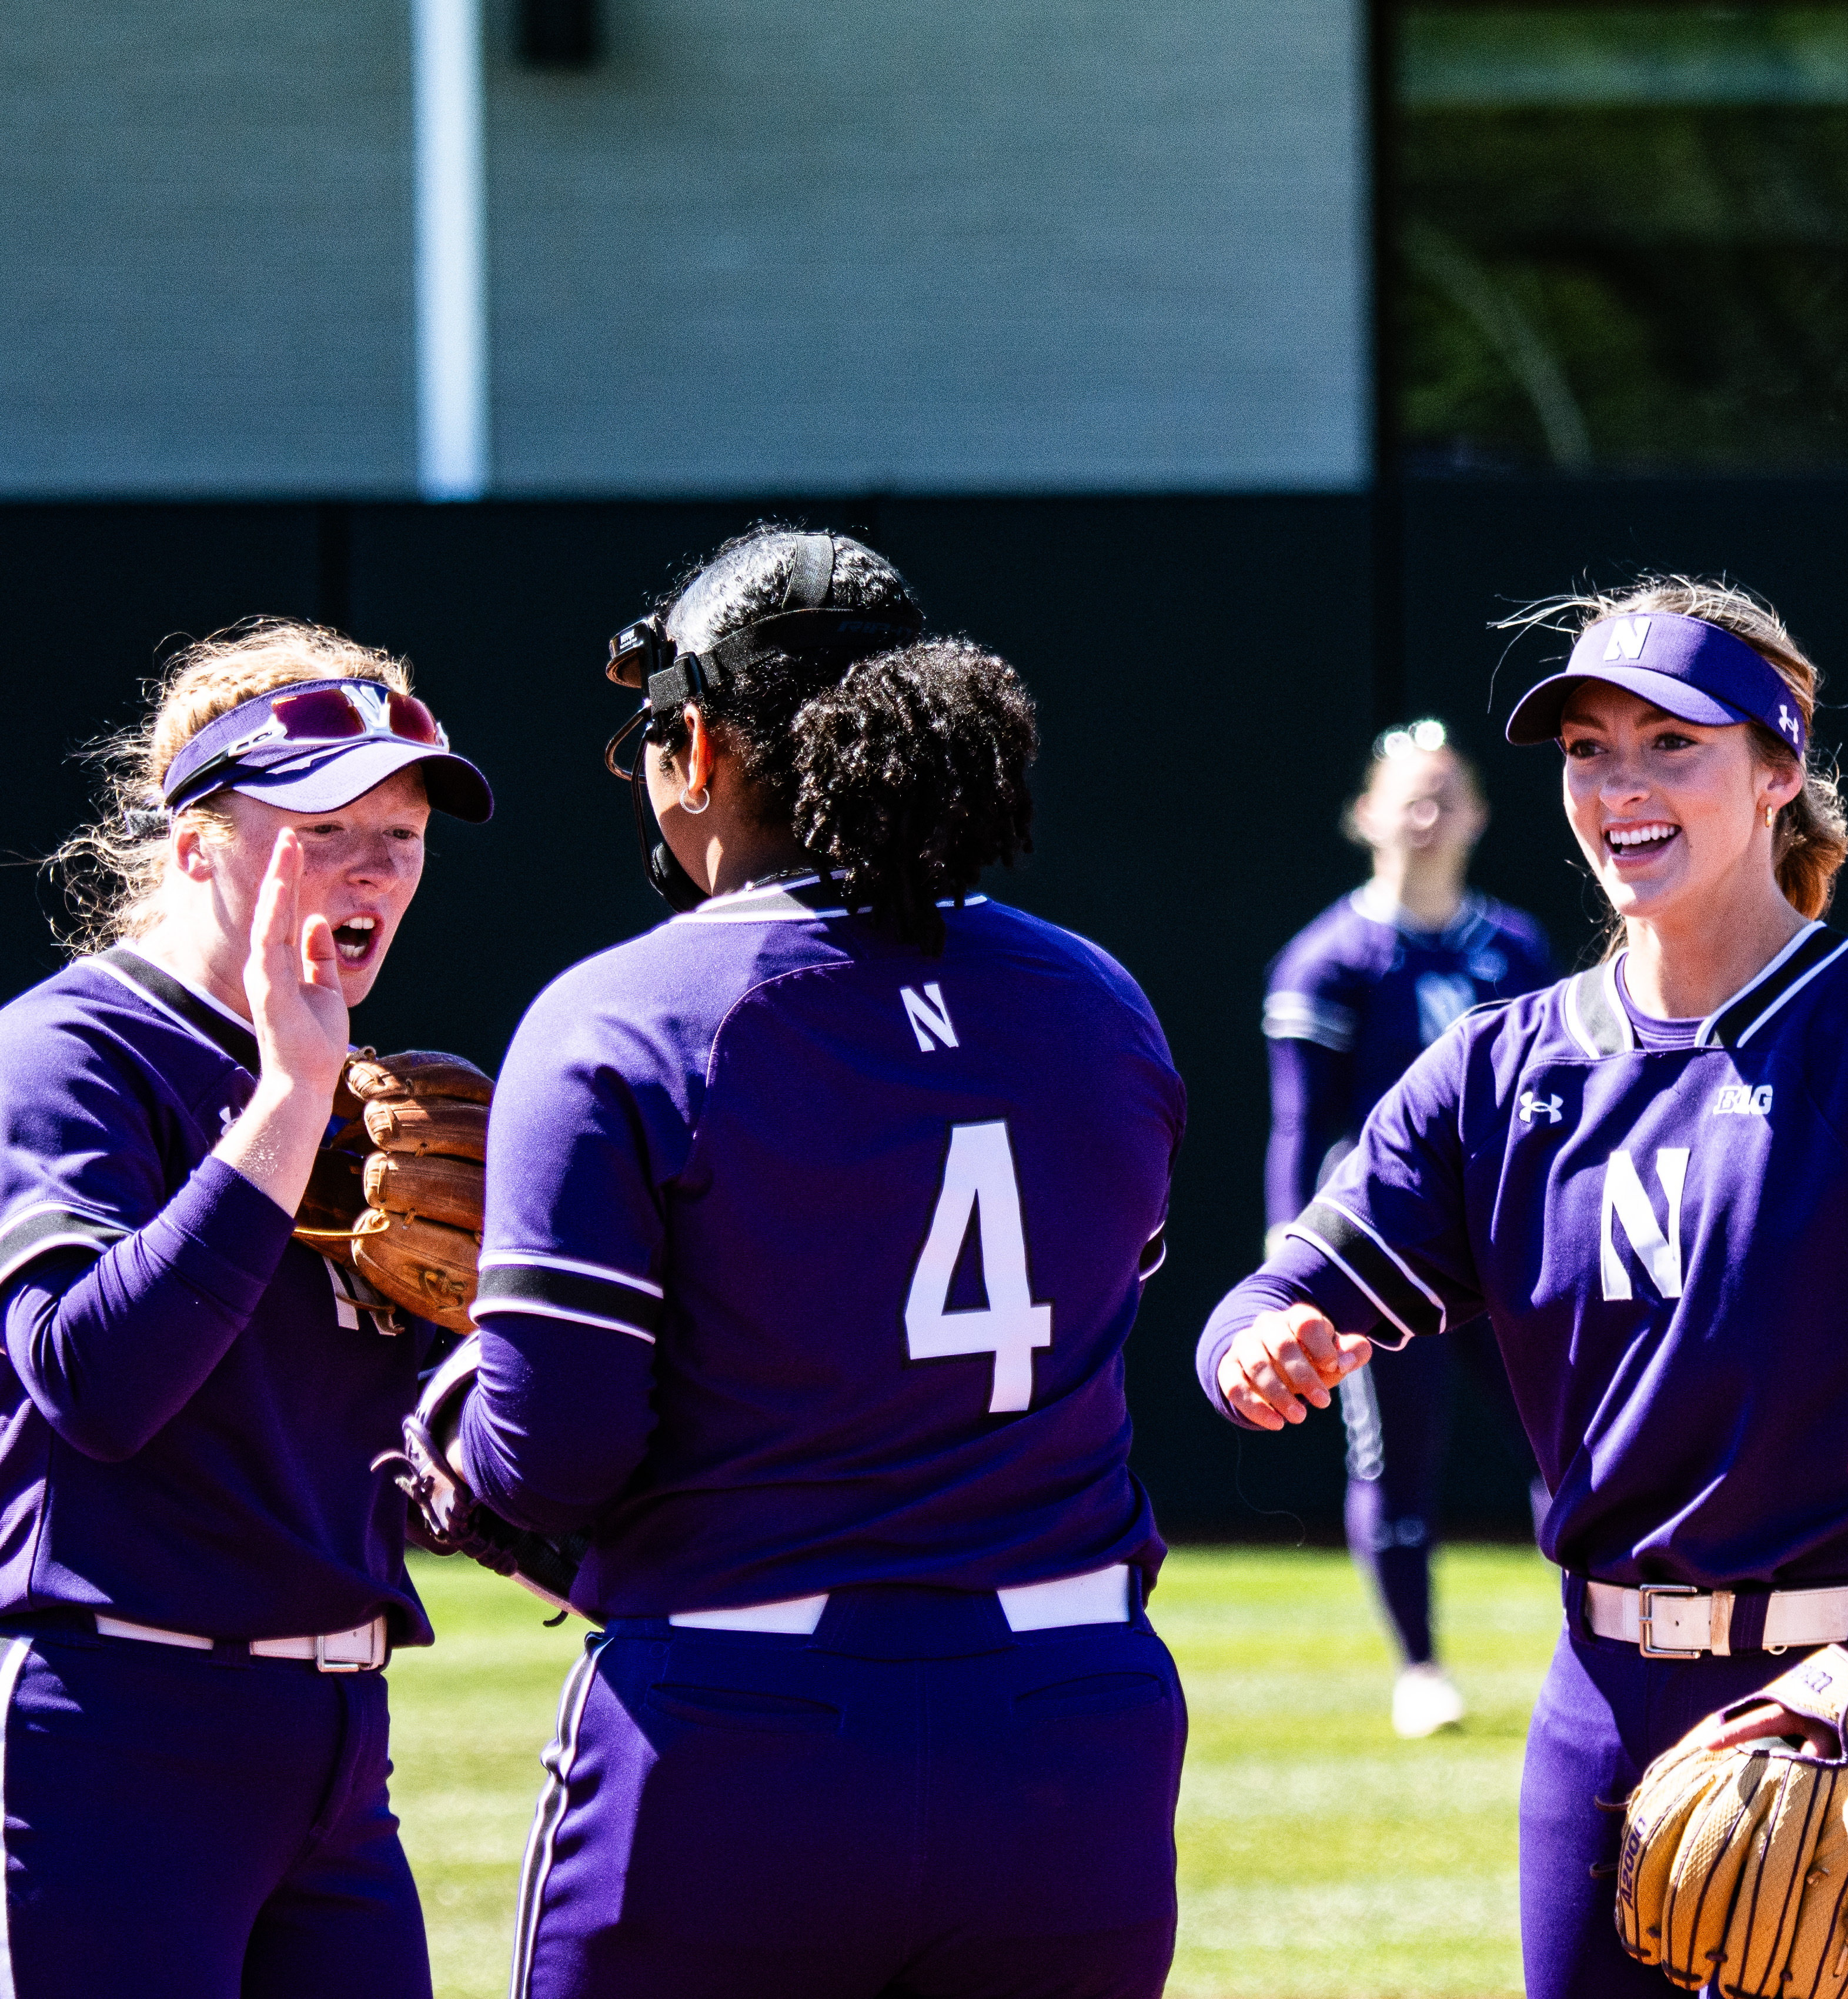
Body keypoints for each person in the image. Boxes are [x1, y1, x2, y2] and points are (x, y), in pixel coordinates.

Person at [1204, 579, 1848, 1999]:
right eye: (1586, 748)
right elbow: (1276, 1291)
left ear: (1778, 769)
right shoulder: (1501, 1072)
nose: (1620, 785)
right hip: (1600, 1705)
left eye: (1671, 743)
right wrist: (1263, 1342)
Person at [446, 529, 1188, 1999]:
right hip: (1074, 1719)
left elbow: (550, 1458)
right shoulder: (1097, 998)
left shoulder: (626, 1014)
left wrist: (438, 1425)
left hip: (742, 1721)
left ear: (700, 745)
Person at [0, 622, 493, 1997]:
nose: (377, 868)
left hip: (339, 1737)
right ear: (198, 842)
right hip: (117, 1729)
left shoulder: (366, 1092)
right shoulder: (69, 1052)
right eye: (326, 822)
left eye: (402, 832)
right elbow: (91, 1380)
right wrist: (283, 1106)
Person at [1261, 719, 1556, 1736]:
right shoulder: (1327, 962)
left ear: (1476, 812)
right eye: (1408, 798)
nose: (1426, 818)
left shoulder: (1515, 946)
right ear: (1365, 815)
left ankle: (1600, 1627)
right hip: (1395, 1254)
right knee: (1395, 1456)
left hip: (1514, 1241)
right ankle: (1421, 1667)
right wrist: (1287, 1260)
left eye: (1445, 797)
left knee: (1572, 1440)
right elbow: (1300, 1124)